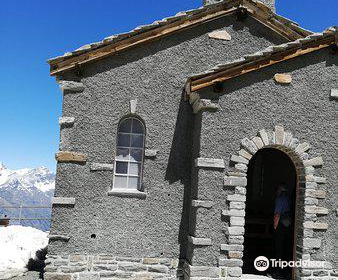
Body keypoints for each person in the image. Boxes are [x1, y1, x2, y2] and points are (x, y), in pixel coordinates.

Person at [271, 183, 292, 279]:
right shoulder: (288, 198)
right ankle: (286, 272)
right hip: (288, 225)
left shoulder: (280, 199)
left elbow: (277, 214)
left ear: (280, 190)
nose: (276, 191)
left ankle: (278, 272)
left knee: (279, 249)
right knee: (286, 248)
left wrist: (275, 227)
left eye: (277, 190)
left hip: (281, 226)